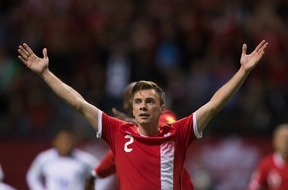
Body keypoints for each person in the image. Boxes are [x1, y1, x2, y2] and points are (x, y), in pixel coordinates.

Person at [18, 40, 267, 189]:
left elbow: (213, 105)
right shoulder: (118, 131)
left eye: (149, 101)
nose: (143, 105)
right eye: (138, 102)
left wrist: (243, 72)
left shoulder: (177, 132)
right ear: (132, 108)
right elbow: (79, 103)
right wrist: (44, 74)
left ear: (161, 109)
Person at [85, 82, 194, 190]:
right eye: (136, 99)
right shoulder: (126, 136)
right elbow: (113, 157)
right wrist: (94, 175)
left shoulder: (166, 115)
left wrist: (132, 122)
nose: (143, 104)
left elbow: (168, 128)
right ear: (127, 104)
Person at [26, 127, 98, 190]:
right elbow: (32, 176)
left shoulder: (84, 159)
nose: (65, 144)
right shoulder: (44, 158)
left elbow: (102, 174)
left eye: (67, 141)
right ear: (55, 141)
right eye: (61, 141)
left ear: (73, 141)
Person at [247, 124, 288, 190]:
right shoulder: (266, 164)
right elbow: (253, 187)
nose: (285, 142)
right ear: (275, 142)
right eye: (283, 138)